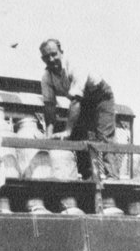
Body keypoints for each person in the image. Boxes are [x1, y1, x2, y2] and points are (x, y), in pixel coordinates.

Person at [39, 38, 119, 179]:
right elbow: (49, 106)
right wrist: (48, 136)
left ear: (61, 52)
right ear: (42, 59)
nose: (51, 59)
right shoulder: (46, 77)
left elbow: (76, 101)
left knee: (104, 136)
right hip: (84, 102)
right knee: (79, 137)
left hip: (100, 97)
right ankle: (89, 176)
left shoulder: (75, 65)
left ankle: (112, 177)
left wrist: (68, 130)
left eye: (54, 54)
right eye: (46, 57)